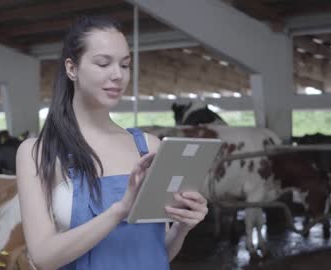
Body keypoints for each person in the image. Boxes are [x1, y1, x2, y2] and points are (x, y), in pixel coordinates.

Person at [16, 16, 208, 270]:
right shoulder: (37, 152)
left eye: (125, 65)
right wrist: (120, 211)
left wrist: (182, 228)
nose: (118, 75)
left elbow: (154, 254)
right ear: (72, 68)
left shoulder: (148, 147)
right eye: (103, 63)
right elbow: (43, 257)